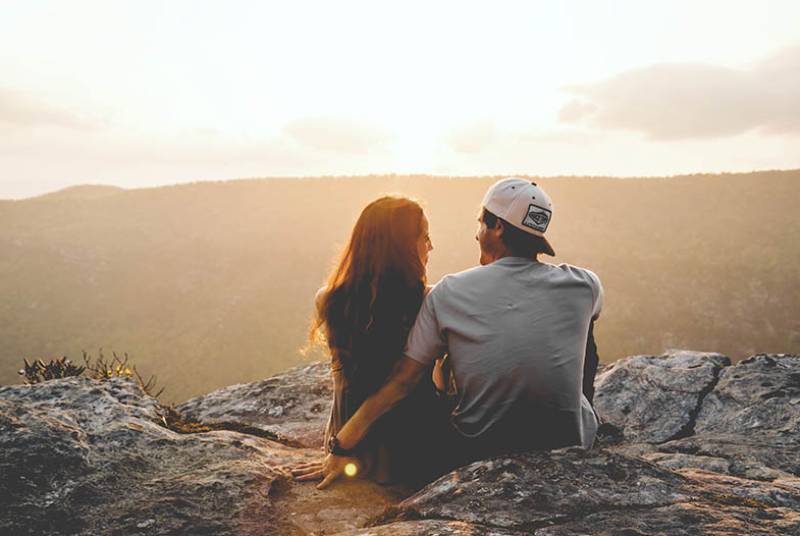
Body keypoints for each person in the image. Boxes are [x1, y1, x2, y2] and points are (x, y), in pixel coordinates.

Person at [298, 177, 604, 489]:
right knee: (584, 324)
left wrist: (341, 444)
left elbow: (400, 382)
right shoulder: (585, 285)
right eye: (425, 238)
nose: (475, 233)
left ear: (497, 226)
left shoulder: (449, 293)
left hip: (474, 448)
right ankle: (579, 415)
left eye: (480, 223)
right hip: (569, 443)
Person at [293, 195, 441, 486]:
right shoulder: (431, 301)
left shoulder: (329, 300)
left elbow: (343, 388)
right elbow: (403, 385)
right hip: (417, 450)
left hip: (360, 452)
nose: (431, 246)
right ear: (400, 248)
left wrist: (337, 448)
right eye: (424, 237)